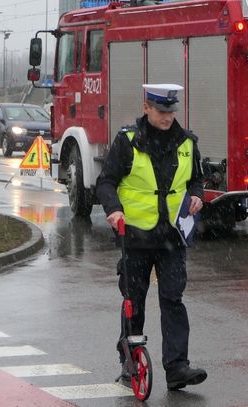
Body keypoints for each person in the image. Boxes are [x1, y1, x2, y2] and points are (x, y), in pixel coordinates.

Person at [95, 83, 207, 391]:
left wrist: (197, 196)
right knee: (135, 301)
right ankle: (131, 363)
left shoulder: (186, 142)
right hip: (135, 236)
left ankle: (177, 368)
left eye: (171, 112)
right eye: (161, 111)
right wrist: (114, 209)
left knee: (173, 300)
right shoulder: (128, 141)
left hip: (172, 235)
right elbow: (105, 182)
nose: (167, 117)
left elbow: (196, 180)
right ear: (147, 108)